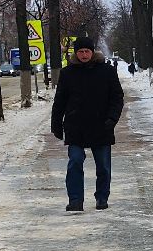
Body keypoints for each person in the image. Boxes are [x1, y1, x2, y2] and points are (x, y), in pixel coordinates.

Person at [51, 36, 124, 212]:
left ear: (93, 52)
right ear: (76, 53)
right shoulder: (68, 73)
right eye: (81, 51)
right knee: (75, 161)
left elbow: (117, 98)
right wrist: (56, 124)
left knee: (103, 166)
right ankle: (75, 200)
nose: (84, 55)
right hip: (75, 126)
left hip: (101, 125)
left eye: (87, 51)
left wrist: (111, 119)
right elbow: (60, 100)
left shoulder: (106, 71)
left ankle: (101, 197)